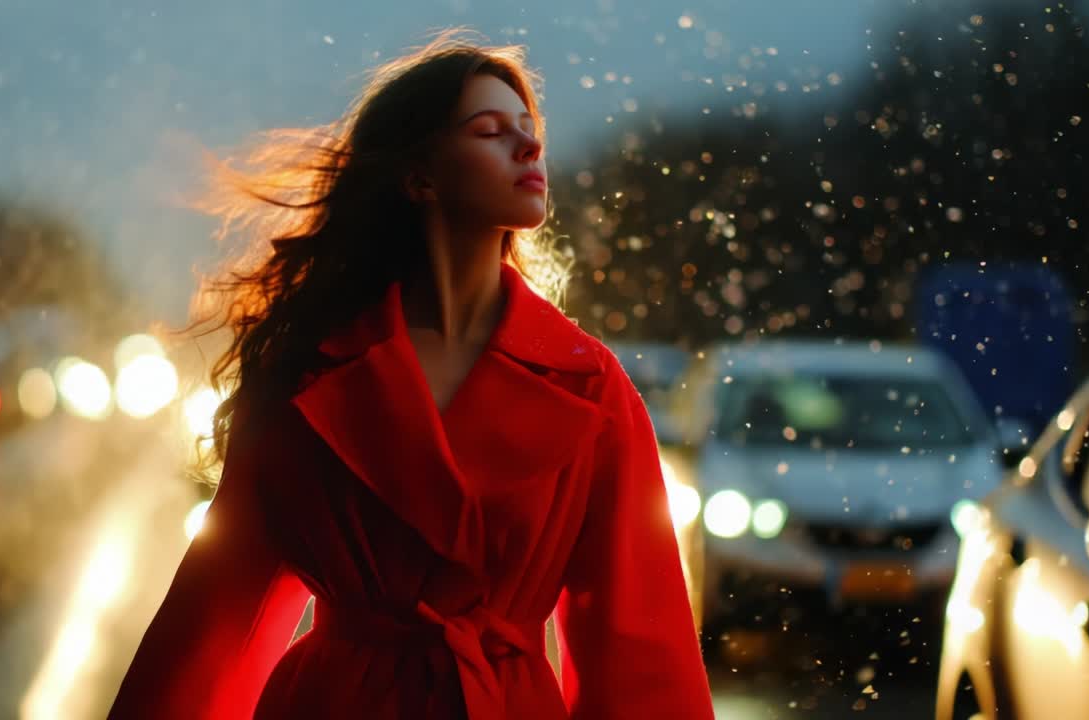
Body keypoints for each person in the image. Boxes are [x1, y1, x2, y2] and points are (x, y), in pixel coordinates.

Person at [108, 31, 714, 720]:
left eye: (529, 129)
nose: (529, 146)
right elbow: (218, 618)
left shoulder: (588, 383)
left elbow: (637, 643)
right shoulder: (311, 371)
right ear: (418, 176)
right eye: (490, 131)